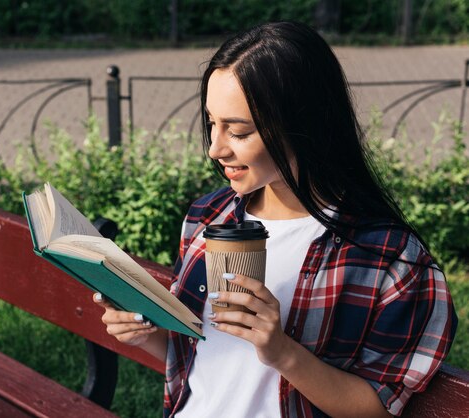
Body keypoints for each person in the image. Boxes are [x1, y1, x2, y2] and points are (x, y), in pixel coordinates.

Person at [93, 21, 457, 417]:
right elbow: (204, 356)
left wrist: (283, 352)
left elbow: (380, 410)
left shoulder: (388, 258)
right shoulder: (207, 218)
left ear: (304, 126)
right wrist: (144, 334)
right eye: (212, 123)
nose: (215, 148)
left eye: (239, 131)